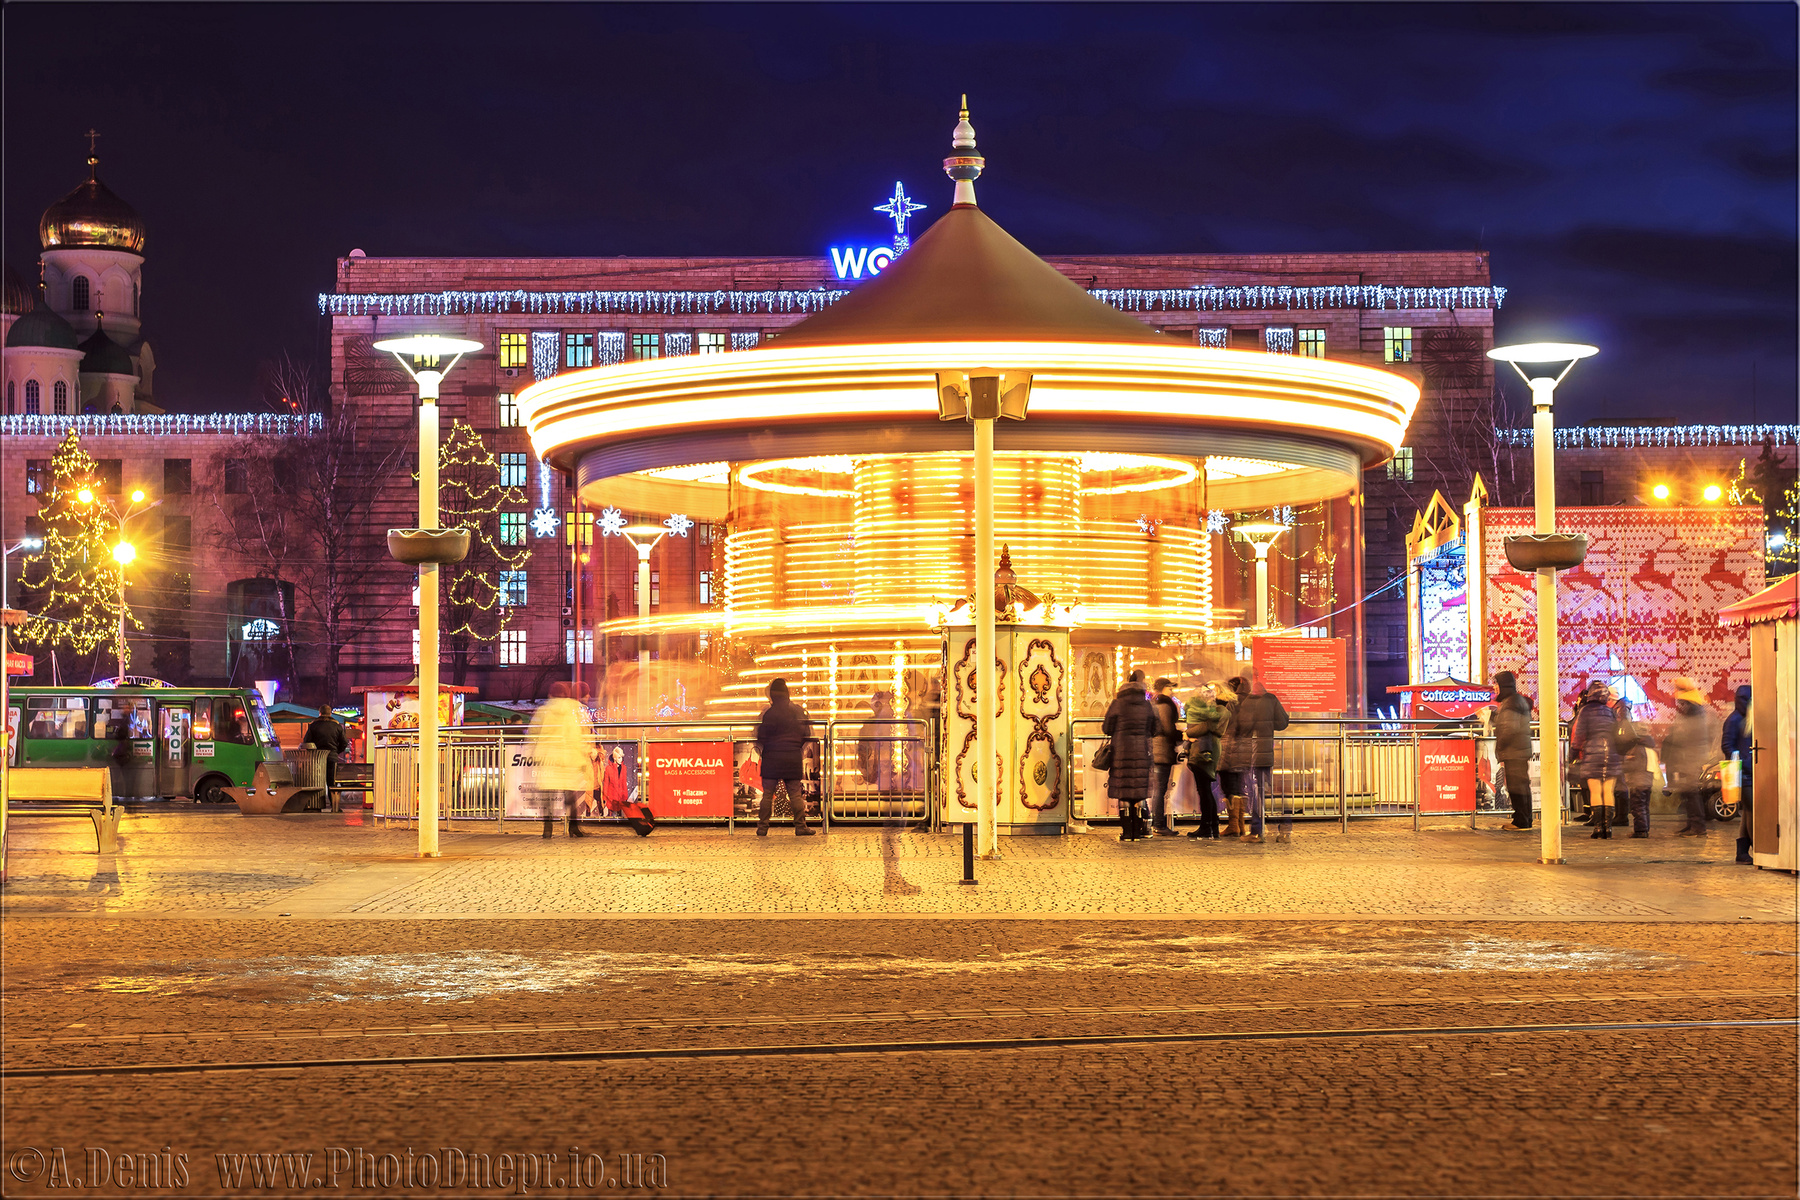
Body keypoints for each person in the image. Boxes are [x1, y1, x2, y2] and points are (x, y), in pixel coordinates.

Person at [526, 682, 594, 838]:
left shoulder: (543, 711)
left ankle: (547, 828)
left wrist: (531, 753)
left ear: (550, 694)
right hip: (569, 757)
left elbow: (533, 732)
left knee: (547, 795)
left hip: (548, 758)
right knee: (569, 794)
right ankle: (573, 827)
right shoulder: (575, 709)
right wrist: (584, 752)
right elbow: (584, 731)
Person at [1233, 665, 1291, 843]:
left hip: (1251, 752)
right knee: (1272, 791)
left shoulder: (1245, 701)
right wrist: (1267, 724)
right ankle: (1285, 828)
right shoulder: (1270, 698)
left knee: (1255, 792)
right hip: (1266, 751)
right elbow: (1282, 723)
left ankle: (1257, 831)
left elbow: (1241, 727)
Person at [1101, 669, 1158, 841]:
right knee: (1139, 794)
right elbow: (1156, 728)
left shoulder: (1117, 704)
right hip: (1142, 752)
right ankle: (1137, 832)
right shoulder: (1147, 705)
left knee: (1124, 793)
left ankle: (1127, 833)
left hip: (1121, 753)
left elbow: (1106, 728)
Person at [755, 678, 815, 836]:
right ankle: (800, 826)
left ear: (772, 694)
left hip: (771, 757)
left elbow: (761, 736)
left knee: (767, 795)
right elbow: (806, 733)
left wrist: (767, 748)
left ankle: (762, 827)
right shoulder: (796, 711)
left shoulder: (769, 713)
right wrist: (796, 747)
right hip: (791, 756)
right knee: (795, 794)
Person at [1662, 677, 1716, 838]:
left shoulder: (1694, 711)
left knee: (1691, 793)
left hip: (1691, 758)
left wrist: (1675, 737)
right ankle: (1691, 823)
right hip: (1687, 757)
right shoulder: (1692, 709)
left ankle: (1698, 827)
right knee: (1686, 793)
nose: (1679, 705)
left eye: (1682, 703)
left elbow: (1687, 735)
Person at [1571, 681, 1621, 839]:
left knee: (1596, 791)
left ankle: (1598, 828)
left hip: (1593, 753)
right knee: (1608, 791)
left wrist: (1572, 754)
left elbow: (1579, 735)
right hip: (1611, 754)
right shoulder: (1610, 712)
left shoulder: (1585, 711)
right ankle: (1608, 828)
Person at [1183, 682, 1228, 840]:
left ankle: (1207, 826)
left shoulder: (1218, 710)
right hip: (1206, 748)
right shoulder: (1216, 710)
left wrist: (1187, 733)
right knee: (1205, 789)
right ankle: (1212, 825)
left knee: (1204, 790)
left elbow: (1207, 726)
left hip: (1204, 750)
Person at [1491, 671, 1534, 831]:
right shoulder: (1513, 701)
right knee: (1520, 786)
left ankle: (1521, 821)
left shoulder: (1511, 702)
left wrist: (1500, 748)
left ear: (1504, 685)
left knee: (1517, 787)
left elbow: (1508, 729)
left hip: (1514, 751)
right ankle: (1524, 819)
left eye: (1496, 684)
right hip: (1518, 750)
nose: (1494, 688)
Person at [1722, 685, 1755, 863]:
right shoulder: (1734, 719)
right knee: (1752, 811)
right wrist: (1743, 761)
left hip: (1749, 772)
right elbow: (1727, 745)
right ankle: (1758, 848)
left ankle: (1742, 853)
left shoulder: (1747, 718)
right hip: (1742, 774)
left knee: (1748, 813)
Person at [1147, 678, 1181, 836]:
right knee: (1160, 789)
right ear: (1162, 688)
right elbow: (1168, 728)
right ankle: (1159, 824)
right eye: (1169, 688)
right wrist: (1181, 735)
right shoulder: (1165, 705)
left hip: (1155, 750)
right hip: (1162, 752)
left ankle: (1156, 823)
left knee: (1157, 789)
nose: (1172, 691)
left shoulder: (1153, 703)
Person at [1217, 679, 1251, 839]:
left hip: (1230, 748)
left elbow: (1225, 725)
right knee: (1239, 786)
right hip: (1246, 749)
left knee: (1229, 786)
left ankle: (1233, 826)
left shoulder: (1232, 703)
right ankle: (1241, 825)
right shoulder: (1250, 703)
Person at [1615, 709, 1656, 838]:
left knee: (1637, 807)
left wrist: (1621, 766)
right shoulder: (1649, 747)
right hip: (1647, 781)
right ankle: (1645, 828)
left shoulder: (1638, 748)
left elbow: (1635, 765)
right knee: (1644, 807)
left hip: (1638, 782)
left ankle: (1640, 830)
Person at [599, 744, 654, 836]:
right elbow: (606, 784)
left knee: (621, 814)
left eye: (621, 757)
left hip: (620, 796)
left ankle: (625, 829)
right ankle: (611, 832)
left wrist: (625, 796)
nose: (621, 759)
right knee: (612, 815)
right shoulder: (608, 769)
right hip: (611, 797)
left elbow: (624, 782)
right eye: (619, 757)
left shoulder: (623, 768)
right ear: (615, 758)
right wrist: (605, 798)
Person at [303, 709, 350, 807]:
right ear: (330, 713)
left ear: (320, 713)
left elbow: (306, 741)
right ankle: (334, 805)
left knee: (316, 781)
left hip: (317, 758)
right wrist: (336, 751)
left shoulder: (313, 726)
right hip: (332, 757)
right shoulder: (337, 726)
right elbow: (344, 742)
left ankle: (316, 804)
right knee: (331, 782)